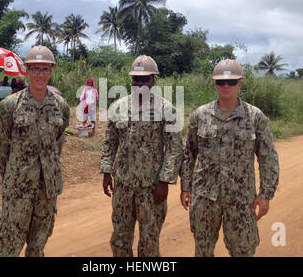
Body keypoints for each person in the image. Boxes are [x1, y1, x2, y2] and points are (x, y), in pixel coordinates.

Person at [180, 59, 280, 257]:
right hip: (205, 197)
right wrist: (185, 187)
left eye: (231, 82)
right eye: (221, 82)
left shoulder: (255, 117)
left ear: (239, 84)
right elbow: (188, 154)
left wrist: (265, 194)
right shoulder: (200, 115)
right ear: (215, 84)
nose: (226, 86)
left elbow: (268, 158)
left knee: (243, 251)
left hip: (241, 199)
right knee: (202, 250)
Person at [100, 55, 183, 257]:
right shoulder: (118, 107)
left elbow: (174, 148)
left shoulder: (166, 110)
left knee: (149, 241)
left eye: (145, 79)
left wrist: (165, 181)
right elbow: (110, 142)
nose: (140, 84)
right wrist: (106, 171)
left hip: (152, 187)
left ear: (153, 80)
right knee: (119, 238)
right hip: (123, 185)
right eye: (136, 79)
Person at [0, 45, 70, 257]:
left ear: (51, 71)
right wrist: (11, 176)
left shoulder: (60, 106)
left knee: (37, 248)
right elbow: (0, 148)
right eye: (35, 69)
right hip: (18, 190)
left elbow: (58, 144)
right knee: (10, 247)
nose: (40, 74)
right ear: (26, 71)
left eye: (45, 69)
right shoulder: (10, 105)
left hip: (47, 191)